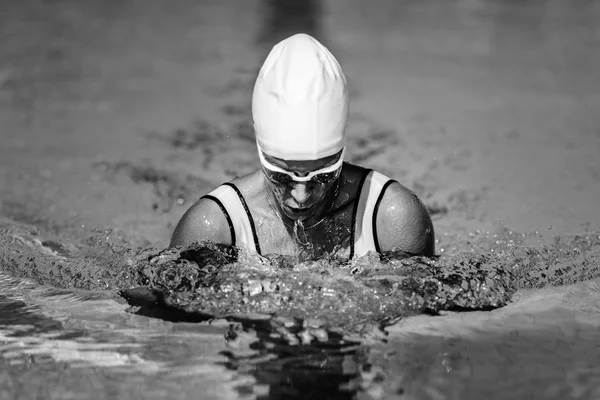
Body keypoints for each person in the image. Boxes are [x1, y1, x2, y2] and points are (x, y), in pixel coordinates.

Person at [170, 33, 434, 261]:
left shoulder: (393, 219)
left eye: (323, 176)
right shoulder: (214, 226)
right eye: (281, 177)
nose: (301, 196)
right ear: (261, 154)